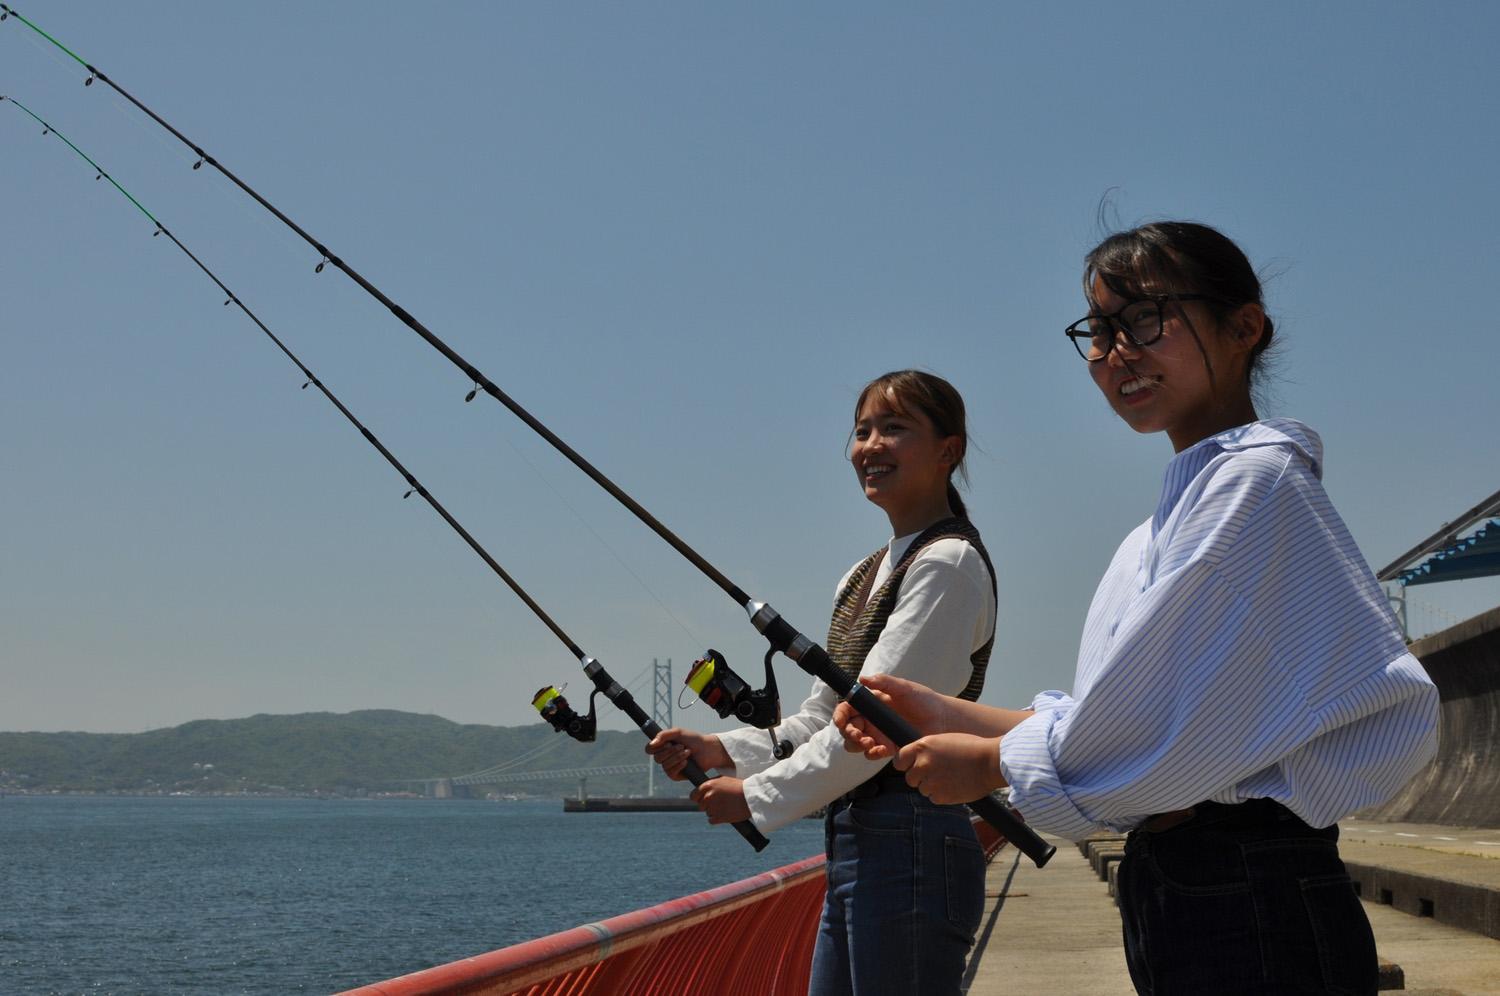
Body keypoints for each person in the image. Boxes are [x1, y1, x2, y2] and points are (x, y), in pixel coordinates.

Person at [834, 222, 1439, 996]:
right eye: (1100, 329)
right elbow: (1114, 720)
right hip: (1194, 883)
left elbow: (1158, 739)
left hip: (1247, 882)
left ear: (1243, 327)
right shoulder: (1161, 527)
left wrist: (986, 762)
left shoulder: (1255, 487)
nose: (1118, 350)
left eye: (1146, 318)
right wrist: (940, 713)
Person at [646, 370, 998, 996]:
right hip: (861, 841)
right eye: (862, 431)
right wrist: (721, 750)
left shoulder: (947, 564)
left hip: (911, 837)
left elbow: (872, 731)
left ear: (950, 450)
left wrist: (754, 799)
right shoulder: (860, 576)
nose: (870, 445)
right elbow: (823, 719)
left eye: (895, 428)